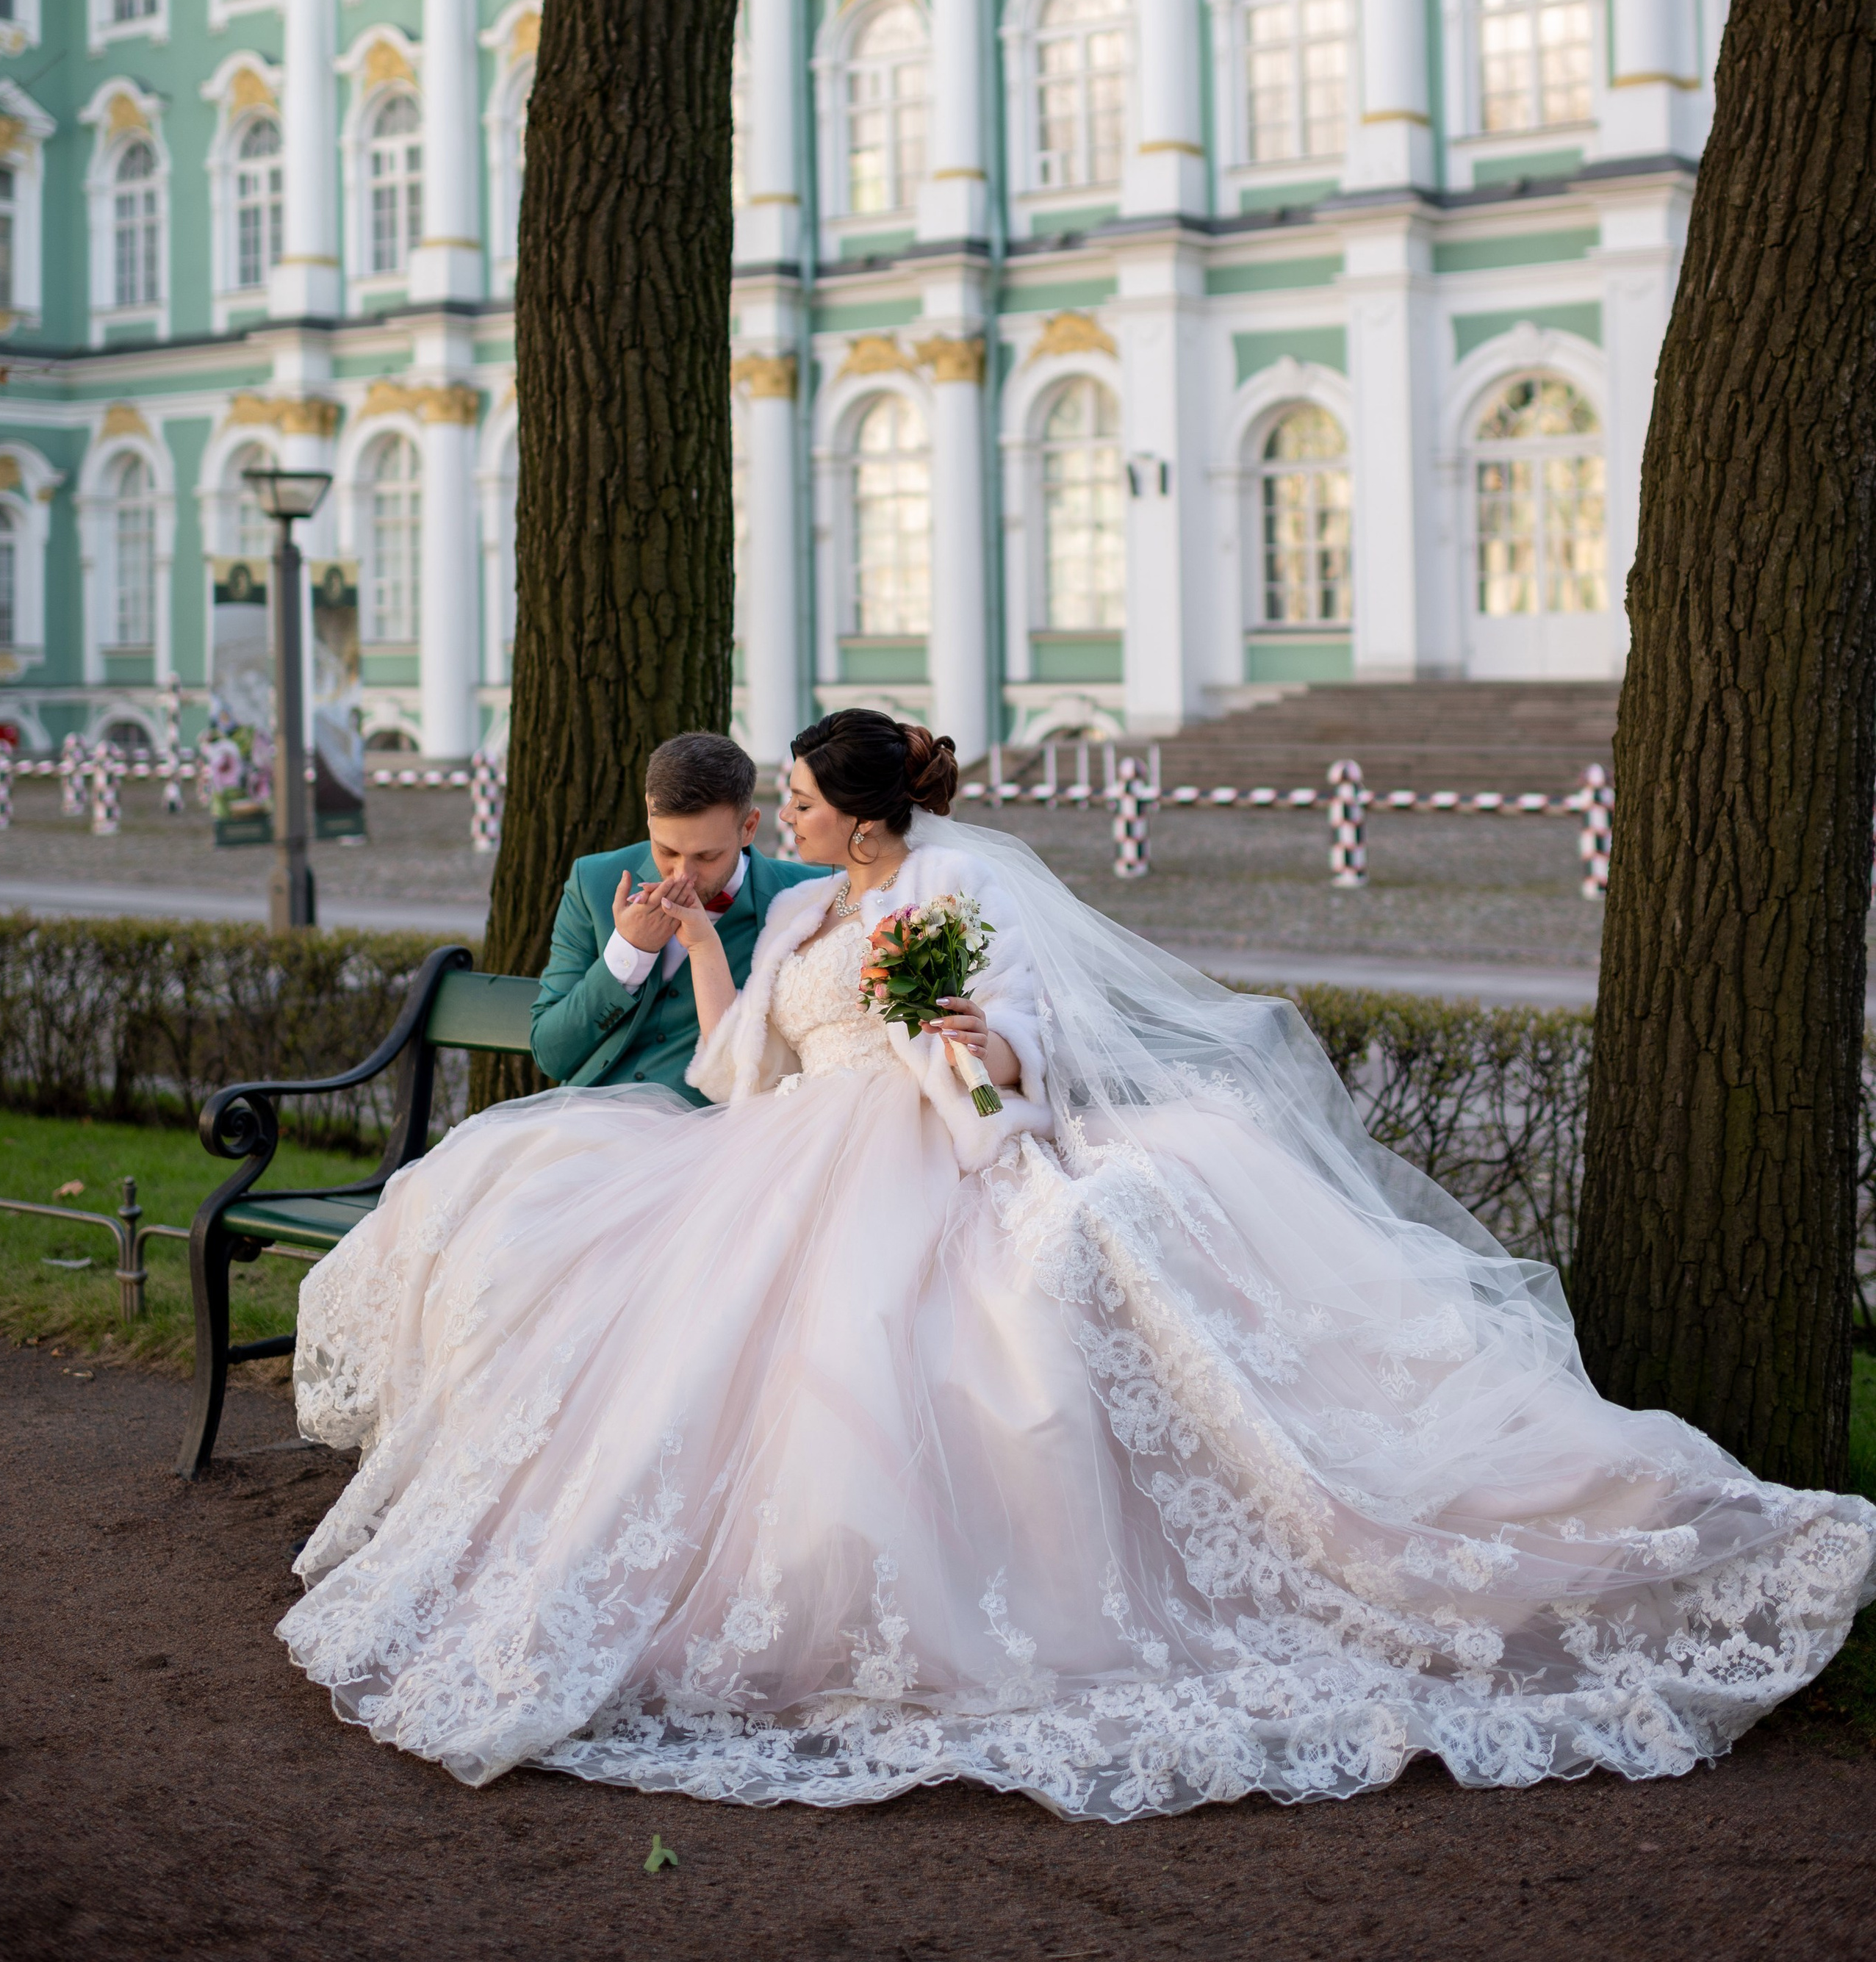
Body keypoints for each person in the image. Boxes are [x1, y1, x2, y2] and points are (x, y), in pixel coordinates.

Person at [280, 709, 1876, 1819]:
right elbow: (728, 1079)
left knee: (974, 1320)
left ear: (860, 811)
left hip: (916, 1147)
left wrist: (983, 1057)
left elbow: (1014, 1044)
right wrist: (698, 947)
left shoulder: (949, 892)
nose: (780, 821)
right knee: (665, 1320)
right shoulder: (785, 920)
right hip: (789, 1150)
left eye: (800, 801)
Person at [528, 729, 827, 1100]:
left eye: (707, 856)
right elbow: (551, 1054)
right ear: (649, 815)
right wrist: (628, 953)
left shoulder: (811, 897)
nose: (682, 875)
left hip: (708, 1134)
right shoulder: (593, 881)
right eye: (666, 850)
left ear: (749, 827)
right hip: (587, 1117)